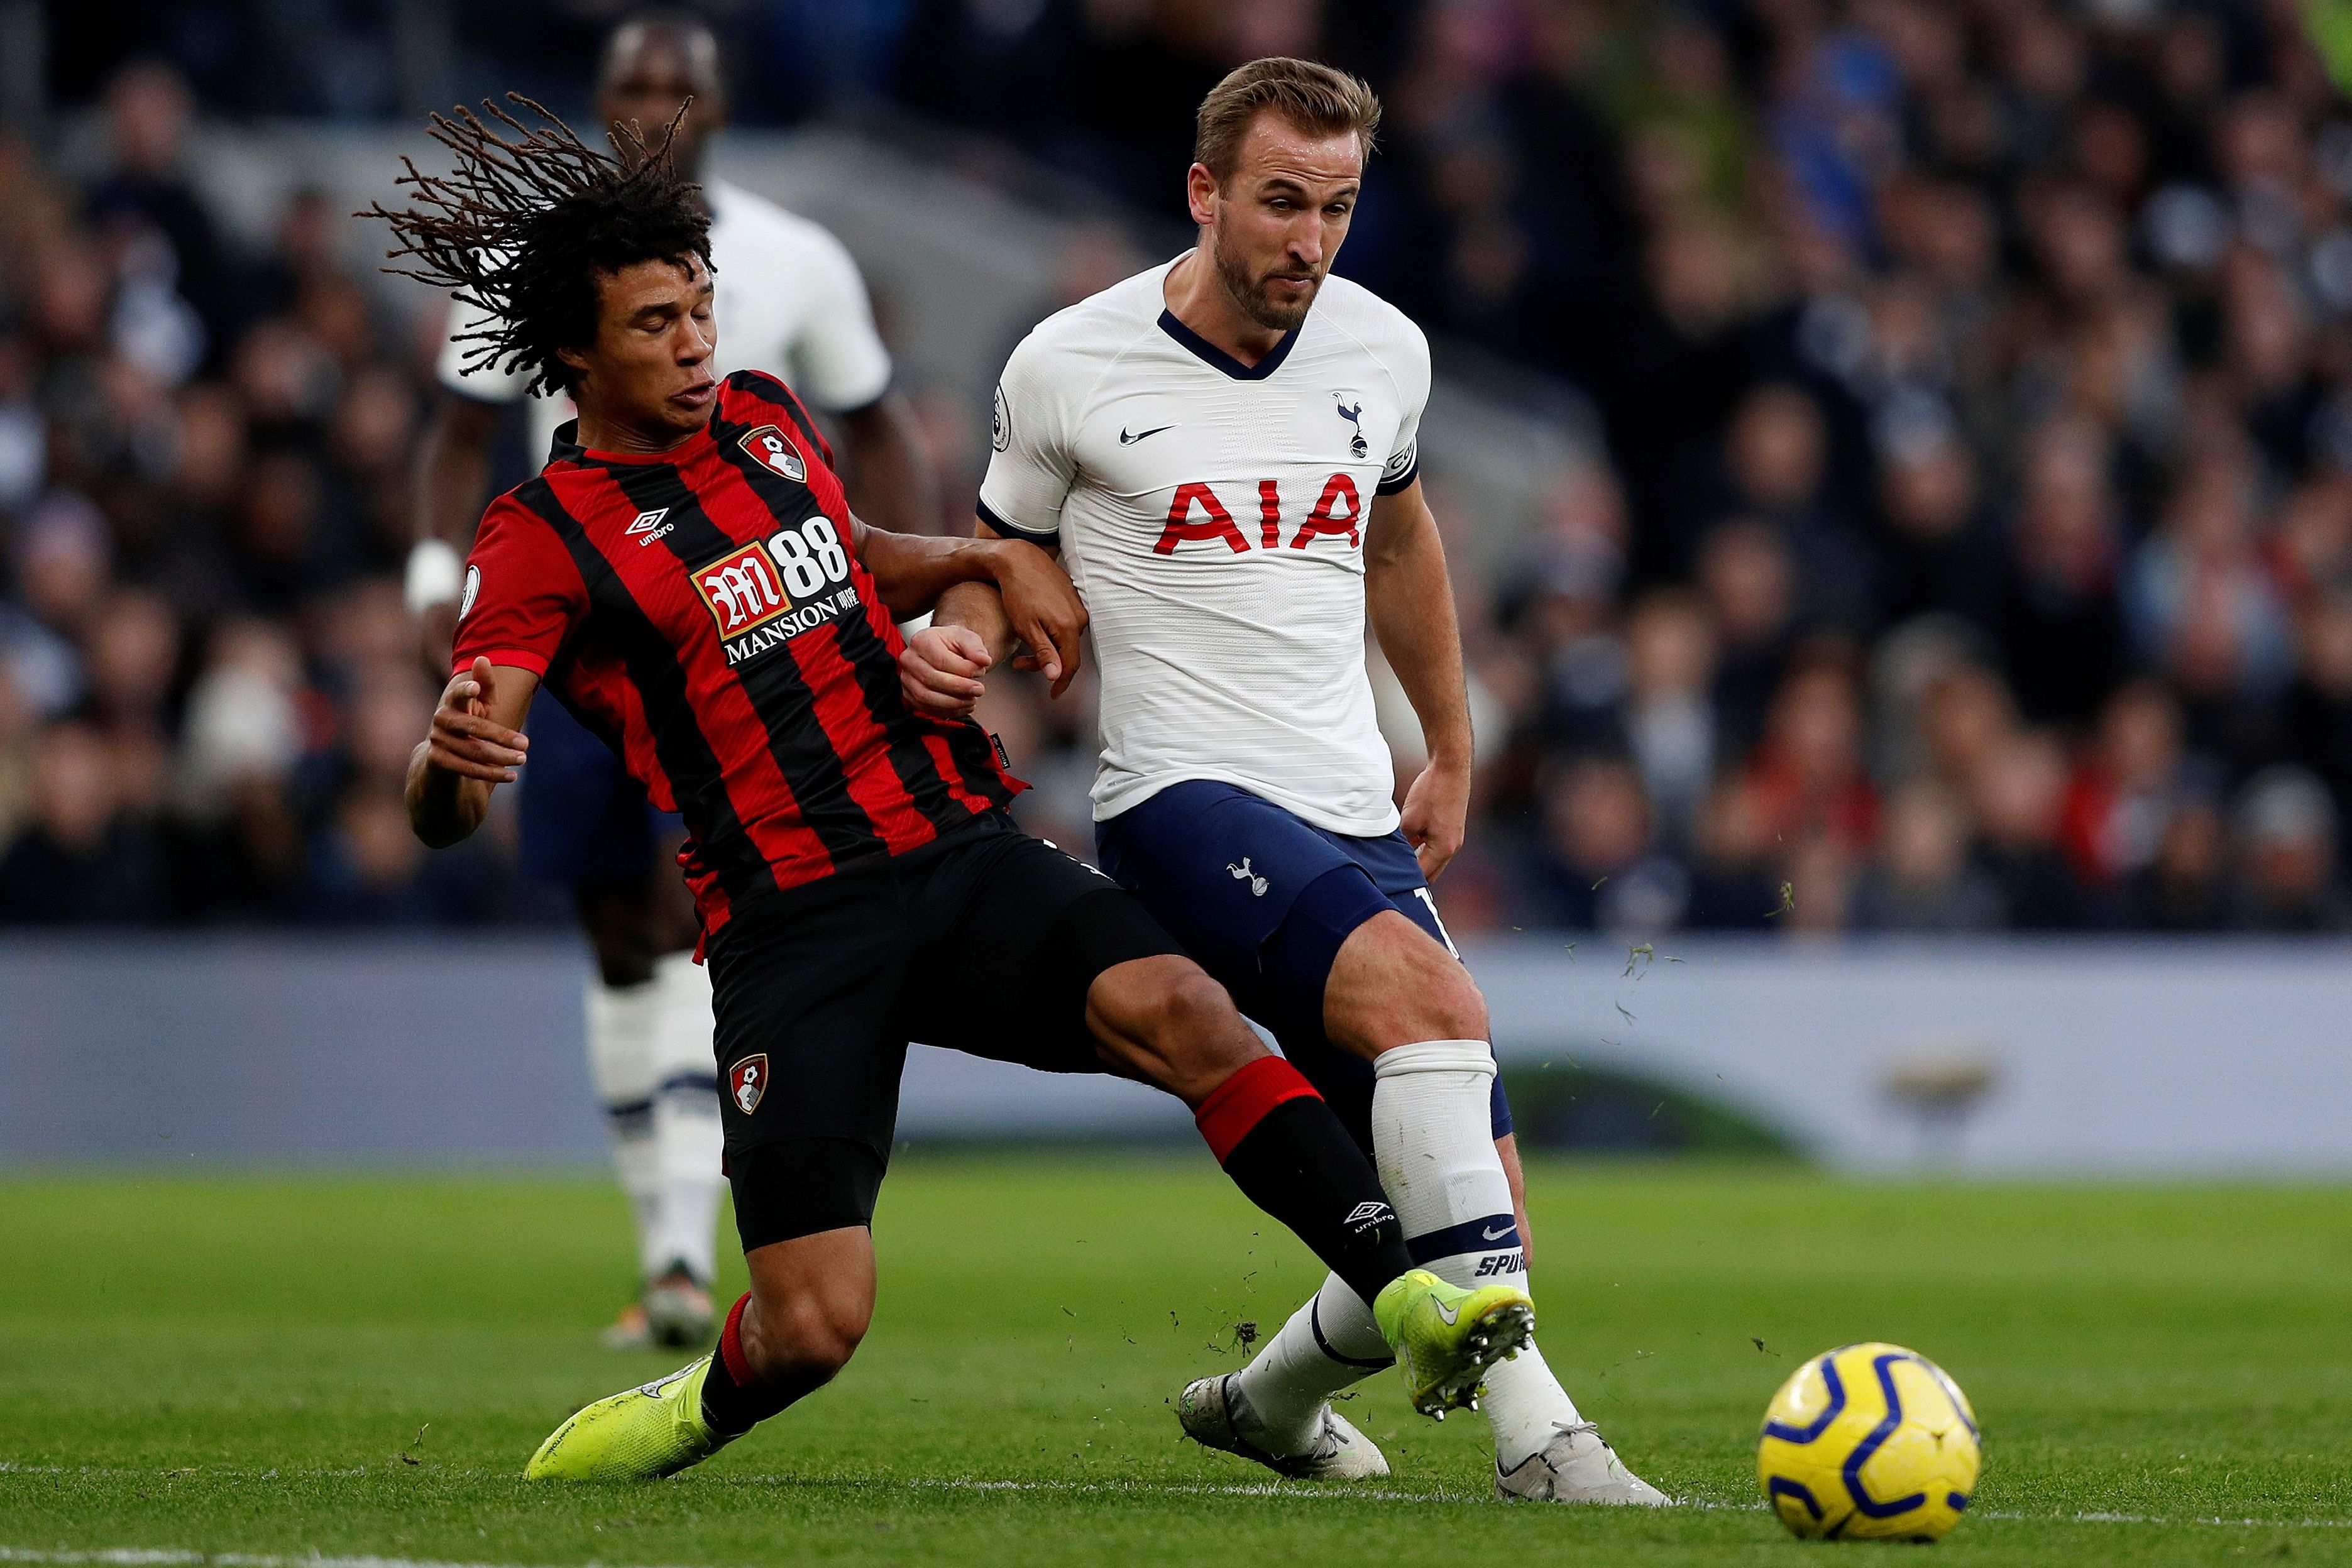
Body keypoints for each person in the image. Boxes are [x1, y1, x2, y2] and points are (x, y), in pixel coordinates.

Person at [370, 92, 1534, 1482]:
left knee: (1191, 1015)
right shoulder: (542, 537)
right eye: (653, 326)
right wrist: (446, 765)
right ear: (572, 355)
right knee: (812, 1326)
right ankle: (673, 1419)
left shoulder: (761, 418)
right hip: (791, 923)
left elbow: (848, 546)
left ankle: (1412, 1303)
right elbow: (456, 772)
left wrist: (985, 569)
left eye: (700, 310)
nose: (693, 348)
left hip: (956, 849)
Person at [903, 58, 1664, 1506]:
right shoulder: (1068, 364)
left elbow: (1400, 546)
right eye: (1277, 204)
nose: (1306, 242)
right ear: (1202, 192)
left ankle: (1262, 1402)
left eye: (1335, 208)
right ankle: (1542, 1445)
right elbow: (997, 565)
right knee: (1436, 1012)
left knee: (1465, 1216)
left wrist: (1447, 744)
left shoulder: (1380, 350)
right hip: (1177, 799)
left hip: (1349, 804)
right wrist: (954, 642)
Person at [402, 13, 939, 1351]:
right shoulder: (537, 261)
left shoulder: (795, 260)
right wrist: (431, 583)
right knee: (614, 933)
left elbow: (877, 427)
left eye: (675, 85)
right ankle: (664, 1255)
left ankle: (684, 1257)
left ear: (717, 102)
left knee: (685, 917)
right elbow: (464, 423)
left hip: (745, 639)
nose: (652, 104)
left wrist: (890, 592)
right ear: (600, 98)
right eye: (629, 84)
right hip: (584, 627)